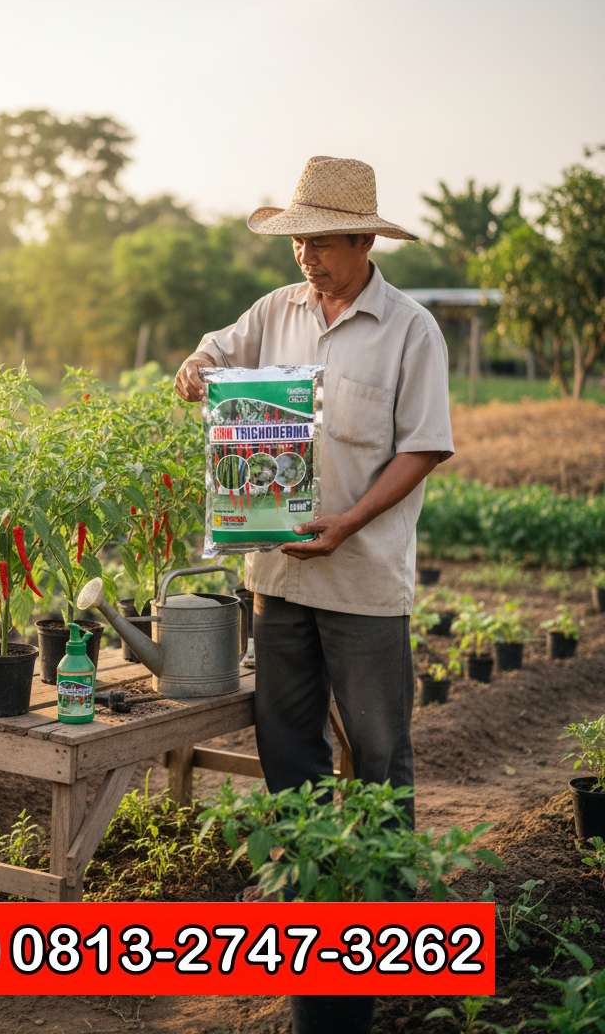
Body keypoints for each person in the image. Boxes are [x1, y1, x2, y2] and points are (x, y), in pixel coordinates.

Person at [174, 155, 454, 827]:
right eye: (298, 239)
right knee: (287, 745)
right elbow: (216, 348)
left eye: (321, 240)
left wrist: (348, 522)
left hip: (362, 582)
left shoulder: (411, 330)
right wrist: (197, 364)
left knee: (377, 750)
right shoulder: (276, 311)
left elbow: (422, 448)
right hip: (276, 577)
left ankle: (383, 905)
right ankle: (304, 885)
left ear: (365, 241)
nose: (305, 254)